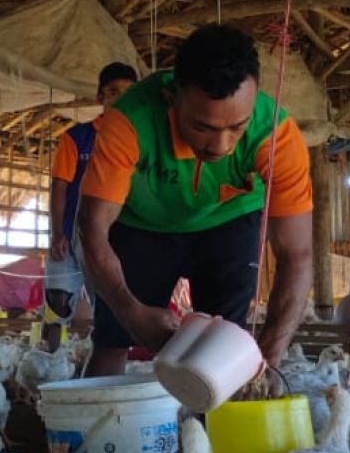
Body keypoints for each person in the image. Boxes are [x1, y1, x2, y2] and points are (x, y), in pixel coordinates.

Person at [77, 24, 312, 376]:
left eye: (237, 127)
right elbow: (92, 230)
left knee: (224, 347)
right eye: (203, 127)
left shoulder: (275, 134)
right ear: (173, 99)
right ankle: (92, 425)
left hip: (228, 221)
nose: (221, 146)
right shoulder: (129, 121)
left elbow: (297, 254)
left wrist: (269, 359)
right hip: (143, 225)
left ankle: (207, 429)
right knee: (113, 339)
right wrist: (130, 311)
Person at [43, 62, 138, 350]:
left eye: (127, 93)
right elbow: (60, 186)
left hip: (117, 233)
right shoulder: (77, 138)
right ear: (100, 98)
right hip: (73, 231)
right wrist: (58, 232)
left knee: (110, 300)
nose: (120, 98)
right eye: (113, 92)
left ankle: (105, 357)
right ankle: (49, 356)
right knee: (57, 299)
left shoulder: (140, 139)